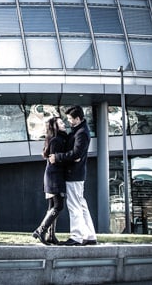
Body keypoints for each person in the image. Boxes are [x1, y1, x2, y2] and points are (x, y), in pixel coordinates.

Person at [49, 105, 97, 245]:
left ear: (77, 118)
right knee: (81, 205)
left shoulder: (81, 133)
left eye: (70, 119)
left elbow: (76, 154)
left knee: (74, 206)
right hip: (76, 174)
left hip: (74, 175)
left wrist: (57, 157)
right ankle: (90, 236)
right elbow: (75, 155)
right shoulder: (78, 130)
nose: (68, 121)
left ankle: (76, 237)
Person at [32, 116, 67, 245]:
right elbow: (55, 159)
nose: (64, 124)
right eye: (61, 123)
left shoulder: (56, 139)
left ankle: (50, 236)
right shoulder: (57, 140)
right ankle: (41, 230)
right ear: (55, 126)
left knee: (52, 207)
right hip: (55, 177)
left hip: (52, 176)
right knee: (58, 206)